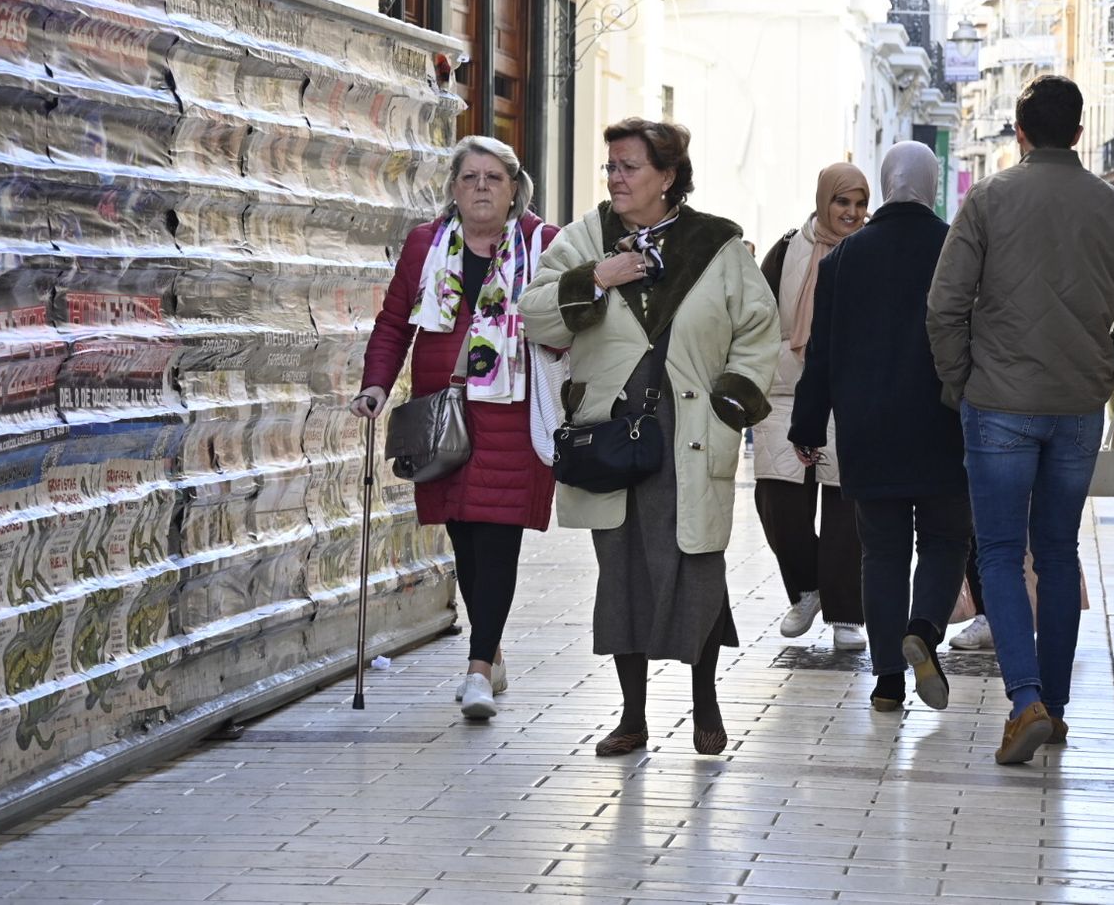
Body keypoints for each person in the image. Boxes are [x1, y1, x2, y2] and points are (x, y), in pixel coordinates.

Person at [521, 117, 779, 757]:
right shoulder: (585, 237)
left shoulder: (716, 245)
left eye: (629, 166)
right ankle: (632, 717)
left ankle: (705, 704)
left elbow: (757, 328)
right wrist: (598, 278)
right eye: (610, 166)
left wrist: (732, 399)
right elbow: (532, 311)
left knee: (693, 567)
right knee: (623, 573)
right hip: (611, 436)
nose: (615, 177)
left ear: (667, 177)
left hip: (688, 431)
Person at [926, 75, 1114, 765]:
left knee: (1001, 552)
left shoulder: (990, 200)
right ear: (1081, 133)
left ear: (1020, 134)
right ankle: (1052, 708)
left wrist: (959, 381)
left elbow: (944, 306)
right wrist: (1101, 368)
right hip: (1078, 406)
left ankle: (1024, 695)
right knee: (1058, 551)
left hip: (997, 400)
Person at [351, 135, 557, 722]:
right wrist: (375, 385)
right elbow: (394, 324)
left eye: (495, 177)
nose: (482, 188)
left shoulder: (543, 244)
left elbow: (567, 321)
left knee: (497, 537)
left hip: (511, 414)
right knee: (464, 540)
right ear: (454, 188)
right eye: (471, 178)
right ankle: (489, 648)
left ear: (515, 188)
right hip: (441, 418)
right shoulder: (425, 245)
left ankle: (477, 672)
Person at [789, 141, 971, 713]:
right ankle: (923, 629)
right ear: (934, 183)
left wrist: (807, 425)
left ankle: (888, 678)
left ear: (886, 186)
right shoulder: (956, 250)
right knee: (944, 540)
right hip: (944, 426)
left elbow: (821, 352)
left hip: (869, 429)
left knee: (883, 552)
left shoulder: (843, 259)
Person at [753, 163, 870, 652]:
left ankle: (846, 612)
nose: (851, 212)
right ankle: (807, 590)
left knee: (845, 506)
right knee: (778, 501)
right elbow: (757, 314)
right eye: (843, 202)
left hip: (848, 394)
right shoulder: (787, 247)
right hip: (785, 391)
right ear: (824, 200)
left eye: (860, 203)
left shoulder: (871, 251)